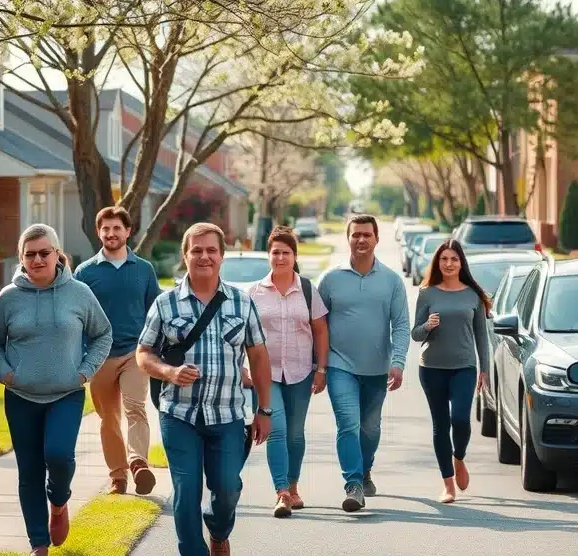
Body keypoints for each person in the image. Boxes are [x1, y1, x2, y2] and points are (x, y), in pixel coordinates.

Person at [137, 222, 273, 556]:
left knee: (227, 488)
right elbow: (143, 354)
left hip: (226, 415)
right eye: (196, 250)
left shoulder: (241, 303)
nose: (204, 256)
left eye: (211, 250)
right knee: (186, 491)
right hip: (178, 414)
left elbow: (258, 354)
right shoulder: (165, 304)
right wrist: (168, 372)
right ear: (185, 256)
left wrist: (264, 409)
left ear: (221, 256)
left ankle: (219, 529)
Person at [0, 223, 112, 556]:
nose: (38, 260)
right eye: (30, 254)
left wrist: (84, 373)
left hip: (66, 394)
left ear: (58, 254)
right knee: (29, 470)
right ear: (22, 259)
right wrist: (6, 374)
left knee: (59, 456)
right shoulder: (9, 298)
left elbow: (103, 335)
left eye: (44, 253)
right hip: (21, 396)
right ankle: (38, 544)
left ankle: (59, 501)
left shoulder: (79, 293)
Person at [316, 214, 410, 512]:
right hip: (339, 364)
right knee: (348, 424)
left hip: (377, 368)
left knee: (370, 429)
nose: (361, 239)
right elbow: (317, 325)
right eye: (355, 234)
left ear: (377, 239)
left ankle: (365, 467)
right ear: (348, 239)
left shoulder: (392, 281)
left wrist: (398, 362)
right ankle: (354, 484)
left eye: (366, 235)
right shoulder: (330, 279)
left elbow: (402, 325)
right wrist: (319, 366)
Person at [74, 206, 161, 496]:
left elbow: (155, 311)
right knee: (108, 417)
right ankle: (118, 476)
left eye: (116, 228)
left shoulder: (144, 270)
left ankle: (138, 463)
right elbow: (78, 316)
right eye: (105, 229)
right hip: (99, 355)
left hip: (135, 352)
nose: (111, 233)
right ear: (99, 233)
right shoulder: (85, 272)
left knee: (135, 408)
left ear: (128, 231)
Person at [246, 226, 329, 518]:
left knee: (295, 434)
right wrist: (245, 370)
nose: (280, 257)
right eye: (276, 252)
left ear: (294, 256)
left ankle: (294, 487)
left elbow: (320, 329)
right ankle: (281, 491)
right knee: (277, 430)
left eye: (286, 252)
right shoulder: (254, 293)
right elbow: (243, 335)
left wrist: (321, 369)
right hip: (266, 375)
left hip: (301, 371)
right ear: (269, 256)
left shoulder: (307, 289)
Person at [410, 239, 491, 503]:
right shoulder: (427, 293)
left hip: (464, 367)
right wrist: (428, 326)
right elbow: (415, 334)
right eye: (444, 259)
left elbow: (482, 336)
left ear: (461, 263)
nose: (448, 264)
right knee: (440, 425)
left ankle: (459, 459)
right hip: (431, 367)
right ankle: (448, 485)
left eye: (453, 259)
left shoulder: (473, 295)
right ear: (438, 262)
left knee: (461, 420)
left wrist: (484, 370)